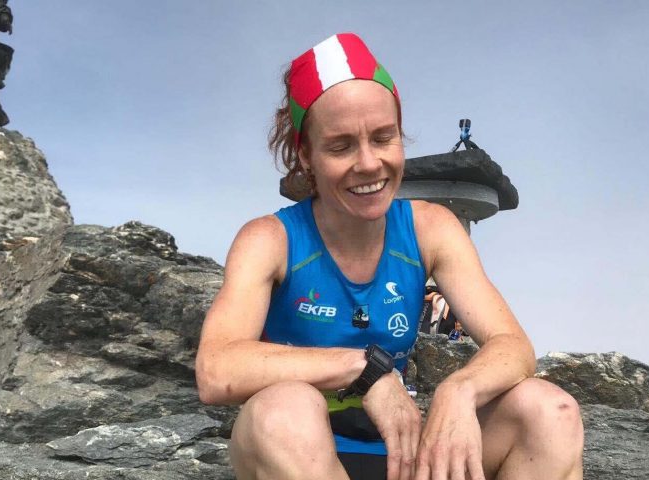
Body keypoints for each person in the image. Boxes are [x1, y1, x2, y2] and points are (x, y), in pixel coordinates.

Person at [196, 33, 583, 480]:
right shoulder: (271, 239)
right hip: (300, 451)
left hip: (403, 450)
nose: (368, 163)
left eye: (384, 138)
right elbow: (216, 369)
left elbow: (512, 345)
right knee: (284, 408)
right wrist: (363, 369)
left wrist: (459, 390)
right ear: (306, 156)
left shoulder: (430, 229)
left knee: (550, 413)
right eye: (340, 146)